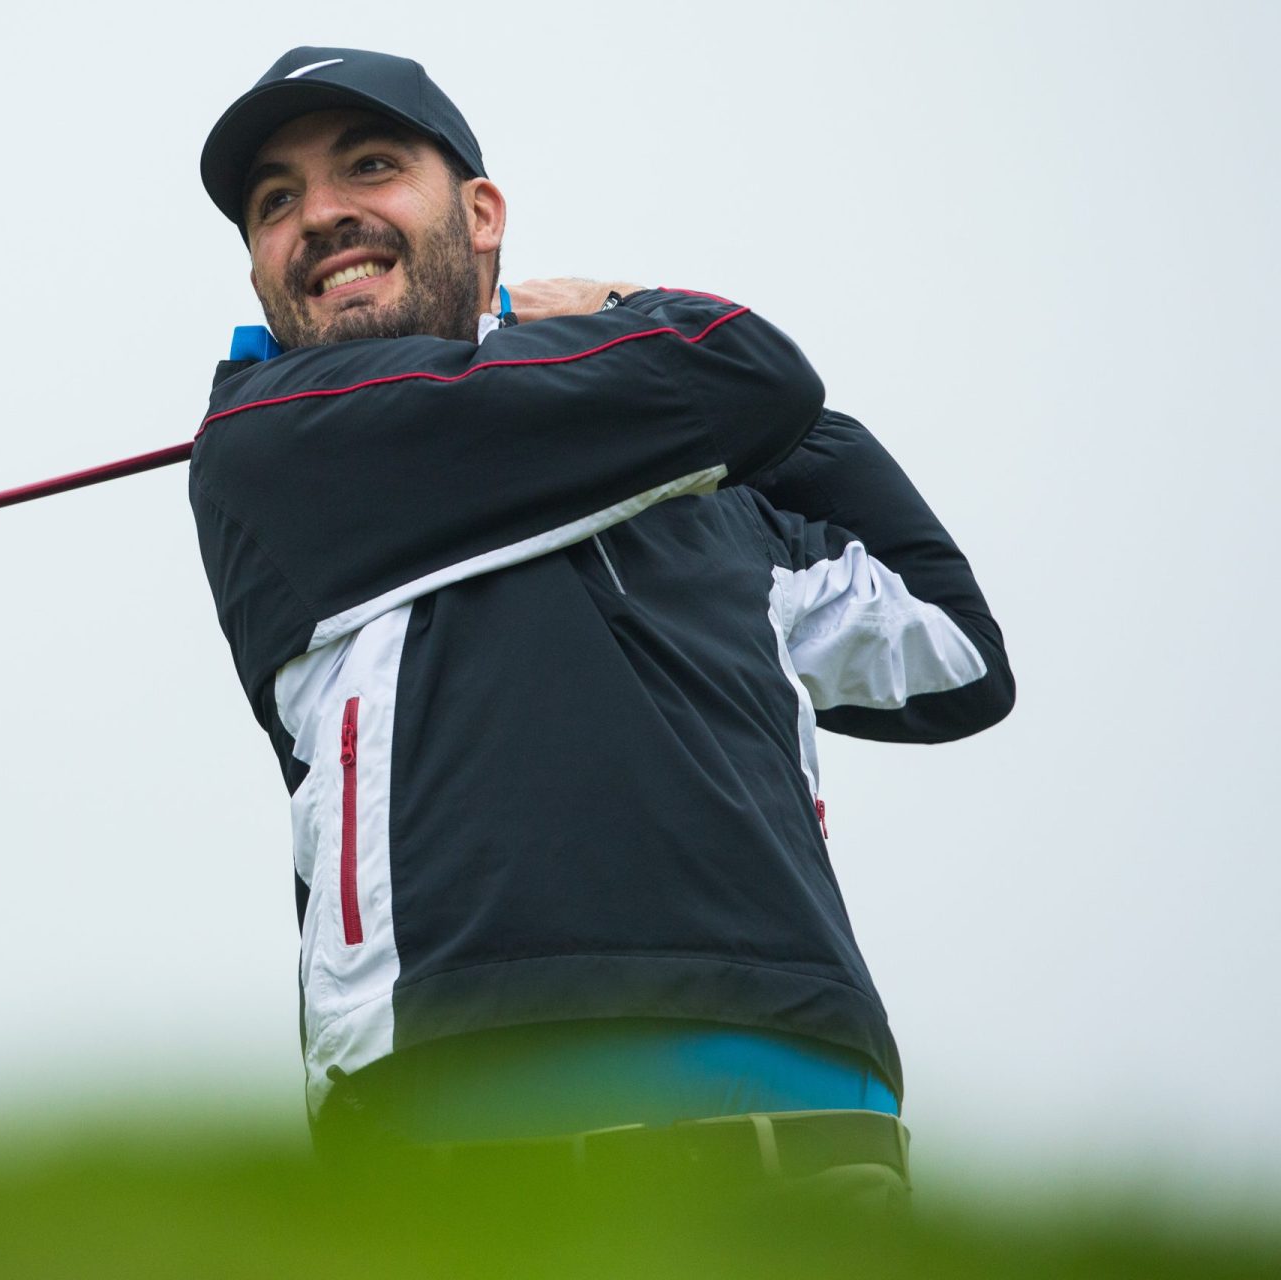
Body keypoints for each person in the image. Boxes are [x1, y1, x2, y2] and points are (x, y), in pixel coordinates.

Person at [188, 48, 1014, 1192]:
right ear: (263, 274)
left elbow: (957, 653)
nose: (322, 214)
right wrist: (629, 325)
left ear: (482, 214)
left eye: (368, 167)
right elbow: (751, 370)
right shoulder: (274, 444)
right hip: (458, 1104)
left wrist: (691, 425)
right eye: (277, 202)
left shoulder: (714, 502)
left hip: (806, 1097)